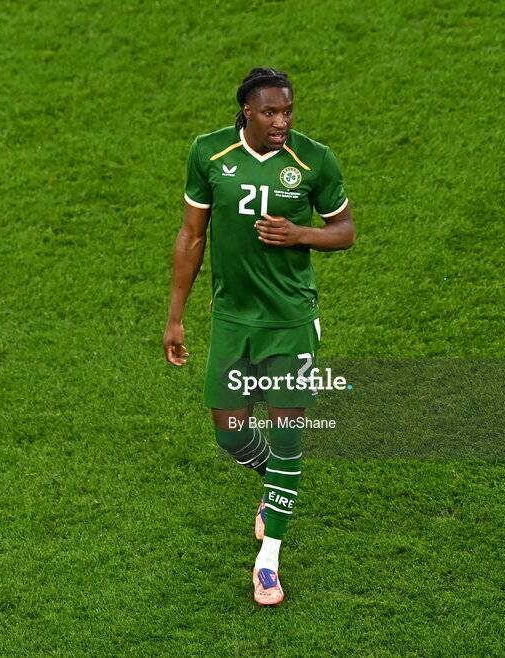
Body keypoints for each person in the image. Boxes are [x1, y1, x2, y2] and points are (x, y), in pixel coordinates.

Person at [163, 68, 355, 605]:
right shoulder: (209, 154)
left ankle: (268, 557)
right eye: (271, 112)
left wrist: (301, 234)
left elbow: (345, 231)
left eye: (288, 111)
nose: (282, 122)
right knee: (229, 432)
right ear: (247, 111)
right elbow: (191, 235)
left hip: (290, 319)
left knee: (289, 431)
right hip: (232, 318)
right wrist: (176, 316)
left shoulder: (315, 160)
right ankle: (278, 482)